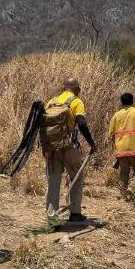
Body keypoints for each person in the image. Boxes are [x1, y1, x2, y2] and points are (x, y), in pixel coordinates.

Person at [42, 78, 96, 223]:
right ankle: (75, 213)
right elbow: (81, 123)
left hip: (52, 147)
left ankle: (52, 217)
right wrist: (91, 143)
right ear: (76, 88)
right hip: (69, 146)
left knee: (53, 182)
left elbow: (44, 125)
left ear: (64, 87)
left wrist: (44, 147)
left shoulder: (51, 101)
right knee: (76, 178)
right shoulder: (76, 101)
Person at [108, 93, 135, 197]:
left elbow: (111, 133)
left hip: (121, 149)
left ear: (121, 102)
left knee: (123, 173)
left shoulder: (116, 115)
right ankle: (131, 187)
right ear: (133, 101)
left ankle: (123, 193)